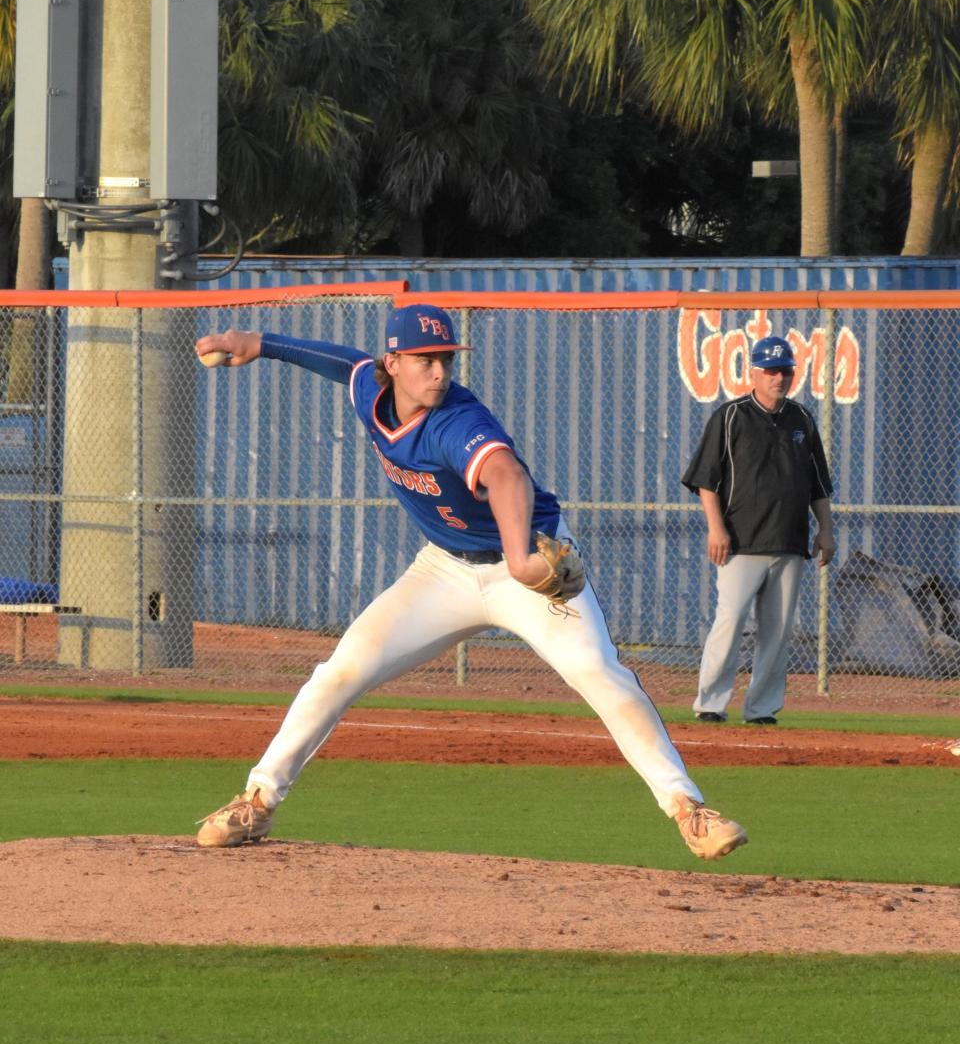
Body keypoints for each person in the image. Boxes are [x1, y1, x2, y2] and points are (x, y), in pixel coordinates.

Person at [194, 303, 747, 861]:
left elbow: (505, 475)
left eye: (446, 359)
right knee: (341, 669)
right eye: (426, 360)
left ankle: (688, 808)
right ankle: (258, 802)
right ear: (394, 363)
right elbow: (344, 363)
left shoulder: (456, 419)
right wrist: (258, 341)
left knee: (598, 672)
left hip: (530, 562)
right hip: (444, 570)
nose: (440, 371)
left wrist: (520, 562)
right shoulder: (371, 389)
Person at [682, 336, 835, 725]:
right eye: (770, 371)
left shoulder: (801, 418)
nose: (778, 378)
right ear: (753, 372)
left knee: (778, 632)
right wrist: (715, 529)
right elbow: (706, 481)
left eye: (785, 370)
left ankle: (762, 709)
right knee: (730, 621)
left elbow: (818, 482)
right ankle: (711, 704)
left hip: (790, 540)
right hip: (740, 542)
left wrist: (827, 529)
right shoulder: (731, 416)